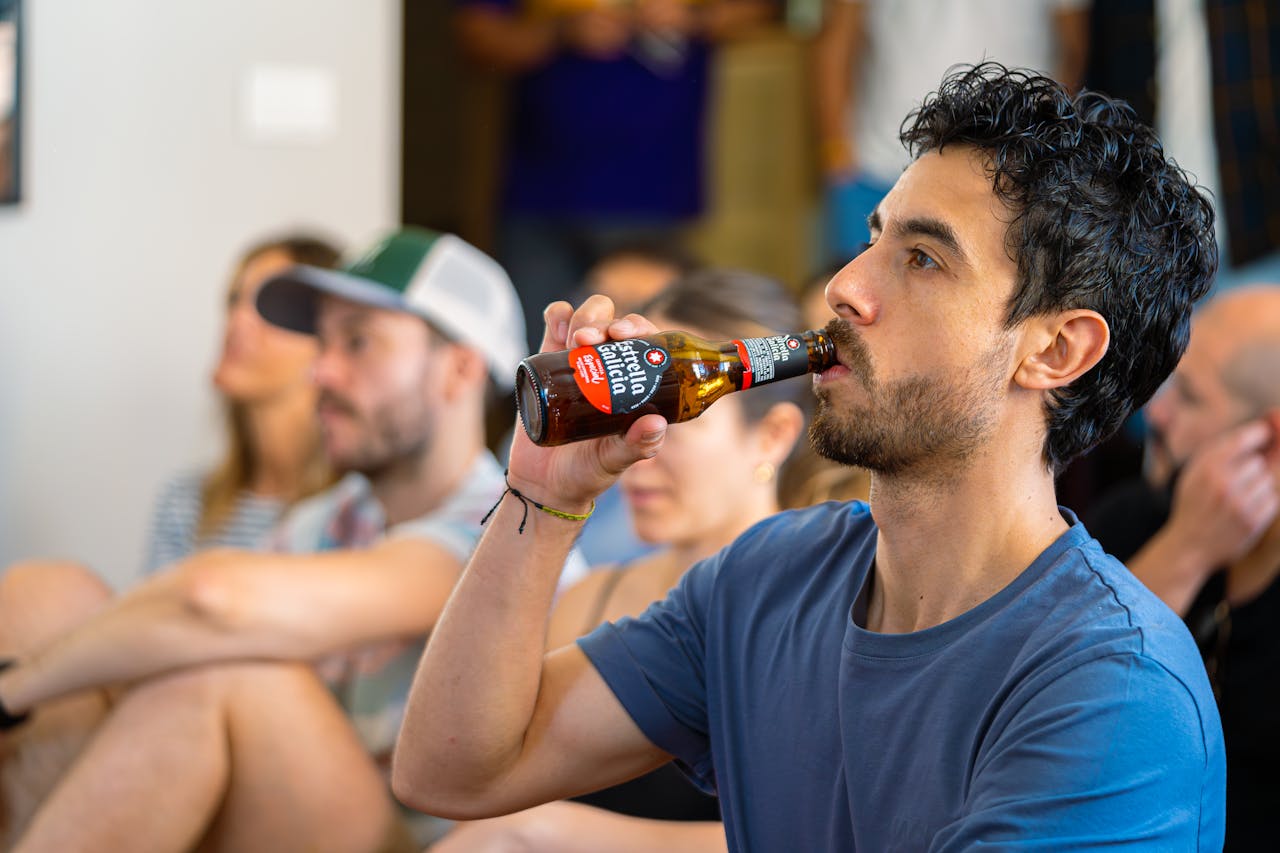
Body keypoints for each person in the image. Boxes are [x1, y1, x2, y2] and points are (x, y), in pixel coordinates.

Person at [393, 64, 1226, 850]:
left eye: (924, 259)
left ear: (1055, 350)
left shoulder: (1114, 688)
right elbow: (453, 767)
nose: (845, 285)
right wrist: (541, 498)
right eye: (873, 238)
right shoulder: (768, 579)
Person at [0, 228, 544, 850]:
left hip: (415, 842)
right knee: (44, 593)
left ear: (459, 369)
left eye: (358, 342)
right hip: (279, 812)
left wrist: (12, 688)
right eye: (322, 344)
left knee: (232, 673)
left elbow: (212, 601)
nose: (321, 372)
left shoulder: (511, 525)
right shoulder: (326, 522)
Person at [432, 269, 809, 851]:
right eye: (628, 419)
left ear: (772, 436)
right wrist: (537, 490)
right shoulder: (593, 598)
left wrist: (549, 833)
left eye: (675, 419)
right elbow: (449, 773)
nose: (642, 453)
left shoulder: (816, 608)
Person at [454, 0, 775, 353]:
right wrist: (561, 31)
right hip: (542, 189)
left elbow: (766, 10)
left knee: (650, 349)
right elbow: (477, 36)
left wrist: (690, 16)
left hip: (650, 186)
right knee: (537, 350)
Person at [1086, 284, 1280, 850]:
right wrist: (1186, 550)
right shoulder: (1135, 518)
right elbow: (1060, 689)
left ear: (1269, 440)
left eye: (1190, 397)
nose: (1157, 412)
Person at [812, 0, 1089, 264]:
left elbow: (1072, 48)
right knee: (855, 295)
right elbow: (838, 40)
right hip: (878, 166)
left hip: (1009, 171)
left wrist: (1048, 148)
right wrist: (838, 153)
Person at [144, 234, 341, 571]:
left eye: (268, 306)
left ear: (328, 338)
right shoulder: (187, 501)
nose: (236, 322)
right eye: (234, 300)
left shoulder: (356, 511)